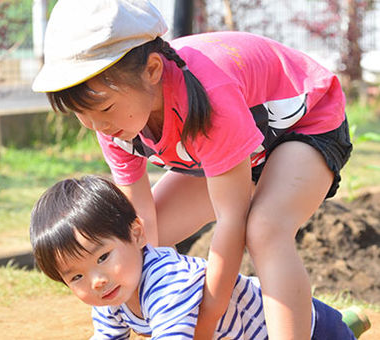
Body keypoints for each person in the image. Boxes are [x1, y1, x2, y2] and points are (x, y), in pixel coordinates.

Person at [31, 1, 353, 339]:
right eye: (84, 115)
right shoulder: (112, 122)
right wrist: (153, 314)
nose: (99, 126)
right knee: (127, 239)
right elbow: (141, 226)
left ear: (152, 70)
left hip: (304, 125)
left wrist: (205, 322)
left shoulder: (210, 96)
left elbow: (232, 220)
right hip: (238, 150)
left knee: (264, 228)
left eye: (105, 108)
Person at [29, 175, 363, 340]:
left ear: (137, 233)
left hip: (308, 329)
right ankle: (351, 322)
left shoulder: (166, 282)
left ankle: (346, 325)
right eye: (76, 277)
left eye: (102, 257)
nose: (96, 280)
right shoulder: (112, 292)